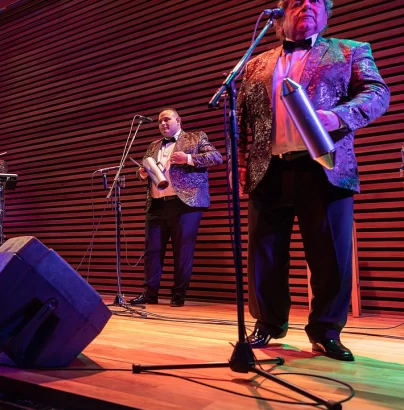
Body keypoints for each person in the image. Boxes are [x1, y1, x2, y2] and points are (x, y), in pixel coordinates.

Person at [237, 0, 389, 361]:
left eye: (316, 0)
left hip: (324, 165)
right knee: (265, 254)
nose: (306, 4)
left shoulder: (350, 51)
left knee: (329, 256)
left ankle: (325, 331)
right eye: (295, 1)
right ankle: (268, 325)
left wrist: (338, 117)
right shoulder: (256, 63)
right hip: (268, 167)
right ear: (279, 16)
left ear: (326, 13)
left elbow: (378, 93)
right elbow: (242, 119)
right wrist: (238, 163)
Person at [129, 108, 222, 307]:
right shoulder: (153, 145)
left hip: (185, 204)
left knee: (183, 250)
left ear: (178, 120)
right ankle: (150, 293)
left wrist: (188, 159)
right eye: (160, 121)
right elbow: (142, 171)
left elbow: (216, 157)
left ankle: (179, 294)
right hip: (156, 203)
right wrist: (142, 174)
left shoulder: (196, 137)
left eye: (167, 120)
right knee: (152, 251)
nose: (163, 123)